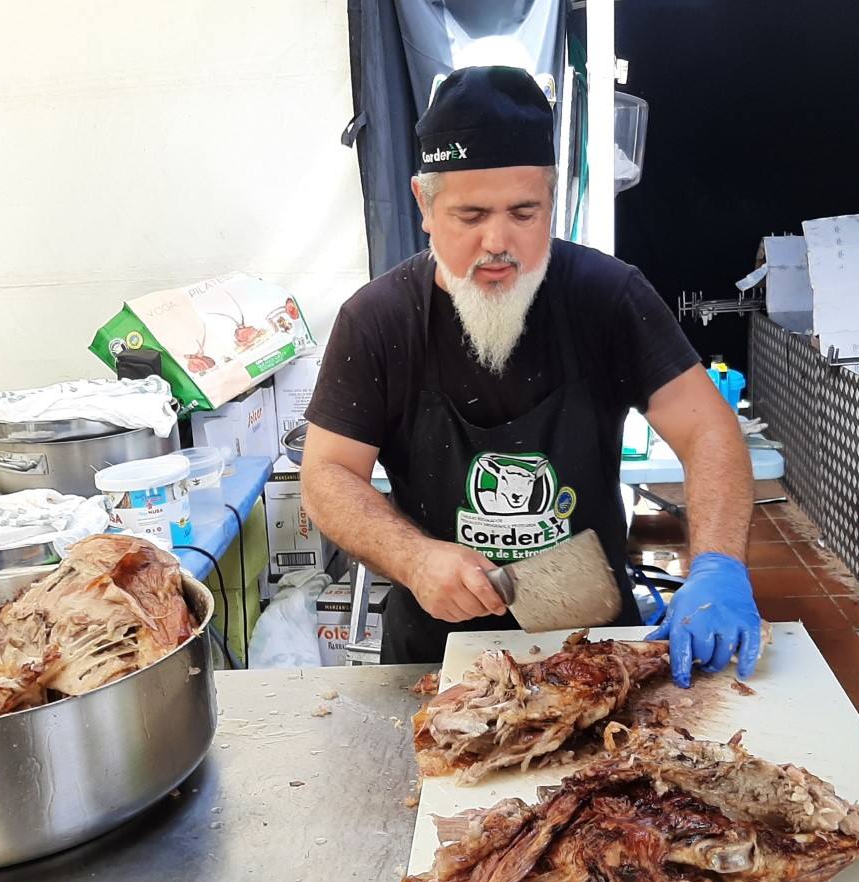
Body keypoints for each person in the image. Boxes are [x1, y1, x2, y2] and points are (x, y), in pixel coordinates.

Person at [301, 65, 759, 686]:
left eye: (524, 212)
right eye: (470, 216)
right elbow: (327, 475)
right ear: (424, 205)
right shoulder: (378, 320)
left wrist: (717, 564)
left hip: (594, 649)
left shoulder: (609, 298)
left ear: (553, 198)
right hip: (433, 661)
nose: (499, 242)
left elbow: (708, 432)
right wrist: (413, 558)